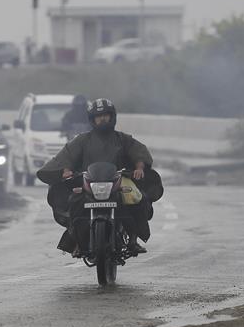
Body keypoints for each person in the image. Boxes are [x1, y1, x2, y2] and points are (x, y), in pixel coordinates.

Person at [37, 98, 162, 257]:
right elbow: (66, 157)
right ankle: (76, 239)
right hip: (87, 182)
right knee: (73, 203)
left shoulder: (123, 139)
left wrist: (139, 167)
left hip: (118, 180)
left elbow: (139, 153)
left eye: (105, 115)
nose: (102, 119)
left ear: (112, 117)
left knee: (137, 199)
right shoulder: (82, 140)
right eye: (98, 116)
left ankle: (132, 240)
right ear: (92, 119)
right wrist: (64, 171)